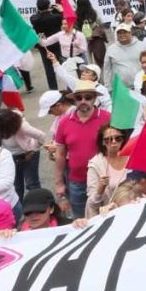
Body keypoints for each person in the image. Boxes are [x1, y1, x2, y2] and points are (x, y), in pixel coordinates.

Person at [53, 79, 112, 218]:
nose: (83, 101)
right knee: (80, 221)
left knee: (106, 217)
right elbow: (60, 155)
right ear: (74, 100)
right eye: (79, 98)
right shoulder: (64, 122)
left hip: (103, 179)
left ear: (95, 98)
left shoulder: (107, 118)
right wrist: (59, 183)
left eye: (88, 97)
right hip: (77, 182)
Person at [0, 107, 46, 200]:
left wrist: (33, 150)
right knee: (16, 185)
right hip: (11, 157)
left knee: (32, 183)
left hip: (28, 155)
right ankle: (18, 206)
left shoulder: (22, 127)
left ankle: (38, 204)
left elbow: (42, 136)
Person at [85, 124, 128, 218]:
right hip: (110, 215)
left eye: (118, 138)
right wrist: (100, 189)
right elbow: (92, 204)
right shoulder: (96, 164)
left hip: (131, 211)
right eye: (108, 139)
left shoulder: (131, 158)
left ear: (123, 139)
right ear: (102, 142)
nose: (113, 141)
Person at [0, 188, 75, 236]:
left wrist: (80, 225)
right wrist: (3, 238)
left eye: (40, 210)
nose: (33, 215)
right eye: (28, 212)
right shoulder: (16, 234)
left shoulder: (69, 227)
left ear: (51, 209)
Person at [103, 23, 146, 88]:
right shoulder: (111, 49)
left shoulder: (142, 46)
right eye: (119, 33)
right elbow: (107, 69)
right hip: (120, 88)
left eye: (124, 32)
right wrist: (107, 86)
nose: (122, 35)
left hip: (140, 86)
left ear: (130, 33)